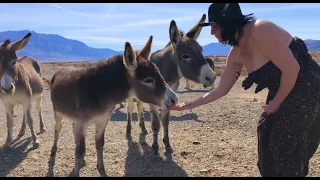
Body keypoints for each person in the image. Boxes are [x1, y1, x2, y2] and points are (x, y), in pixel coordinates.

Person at [168, 3, 320, 177]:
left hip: (308, 88)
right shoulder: (235, 54)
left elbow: (292, 69)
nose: (212, 32)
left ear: (228, 22)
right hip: (283, 90)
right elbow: (221, 90)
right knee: (266, 144)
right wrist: (187, 105)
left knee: (284, 145)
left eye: (215, 26)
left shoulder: (260, 30)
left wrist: (275, 103)